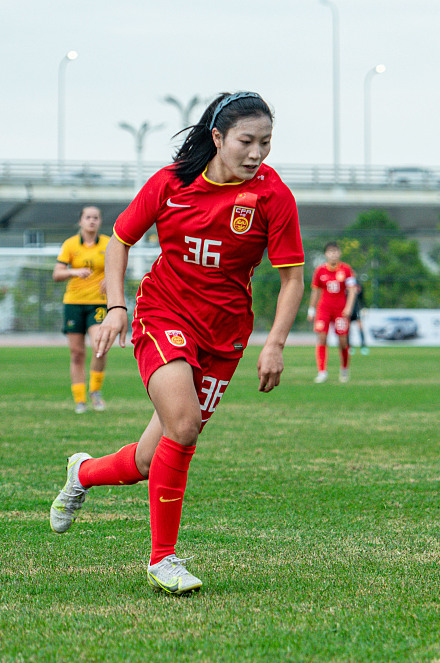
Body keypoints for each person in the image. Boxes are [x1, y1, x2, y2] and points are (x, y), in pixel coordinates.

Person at [48, 91, 305, 595]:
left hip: (226, 335)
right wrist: (117, 306)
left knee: (149, 461)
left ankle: (83, 473)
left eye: (266, 143)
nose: (256, 154)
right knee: (184, 428)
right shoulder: (171, 184)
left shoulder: (274, 196)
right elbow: (121, 240)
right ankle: (162, 559)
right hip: (164, 314)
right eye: (246, 141)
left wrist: (274, 343)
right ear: (217, 137)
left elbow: (293, 278)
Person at [53, 206, 111, 413]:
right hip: (74, 303)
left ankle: (95, 391)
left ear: (100, 221)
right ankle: (80, 400)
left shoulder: (108, 243)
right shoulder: (70, 245)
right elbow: (57, 273)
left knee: (100, 347)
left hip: (98, 302)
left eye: (96, 217)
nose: (92, 221)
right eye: (88, 217)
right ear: (81, 221)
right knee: (77, 354)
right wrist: (74, 271)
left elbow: (119, 266)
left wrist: (110, 277)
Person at [307, 242, 357, 382]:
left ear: (339, 253)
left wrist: (348, 308)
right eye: (330, 252)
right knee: (321, 338)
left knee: (342, 341)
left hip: (340, 310)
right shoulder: (320, 270)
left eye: (335, 251)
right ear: (326, 254)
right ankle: (322, 371)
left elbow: (352, 291)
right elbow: (315, 291)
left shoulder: (346, 269)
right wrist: (311, 309)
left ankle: (344, 369)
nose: (333, 254)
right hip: (324, 308)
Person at [350, 281, 369, 355]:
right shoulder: (344, 285)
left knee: (360, 327)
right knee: (348, 329)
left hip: (357, 309)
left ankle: (363, 346)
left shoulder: (358, 284)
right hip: (349, 309)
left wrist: (364, 307)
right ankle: (350, 346)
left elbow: (362, 298)